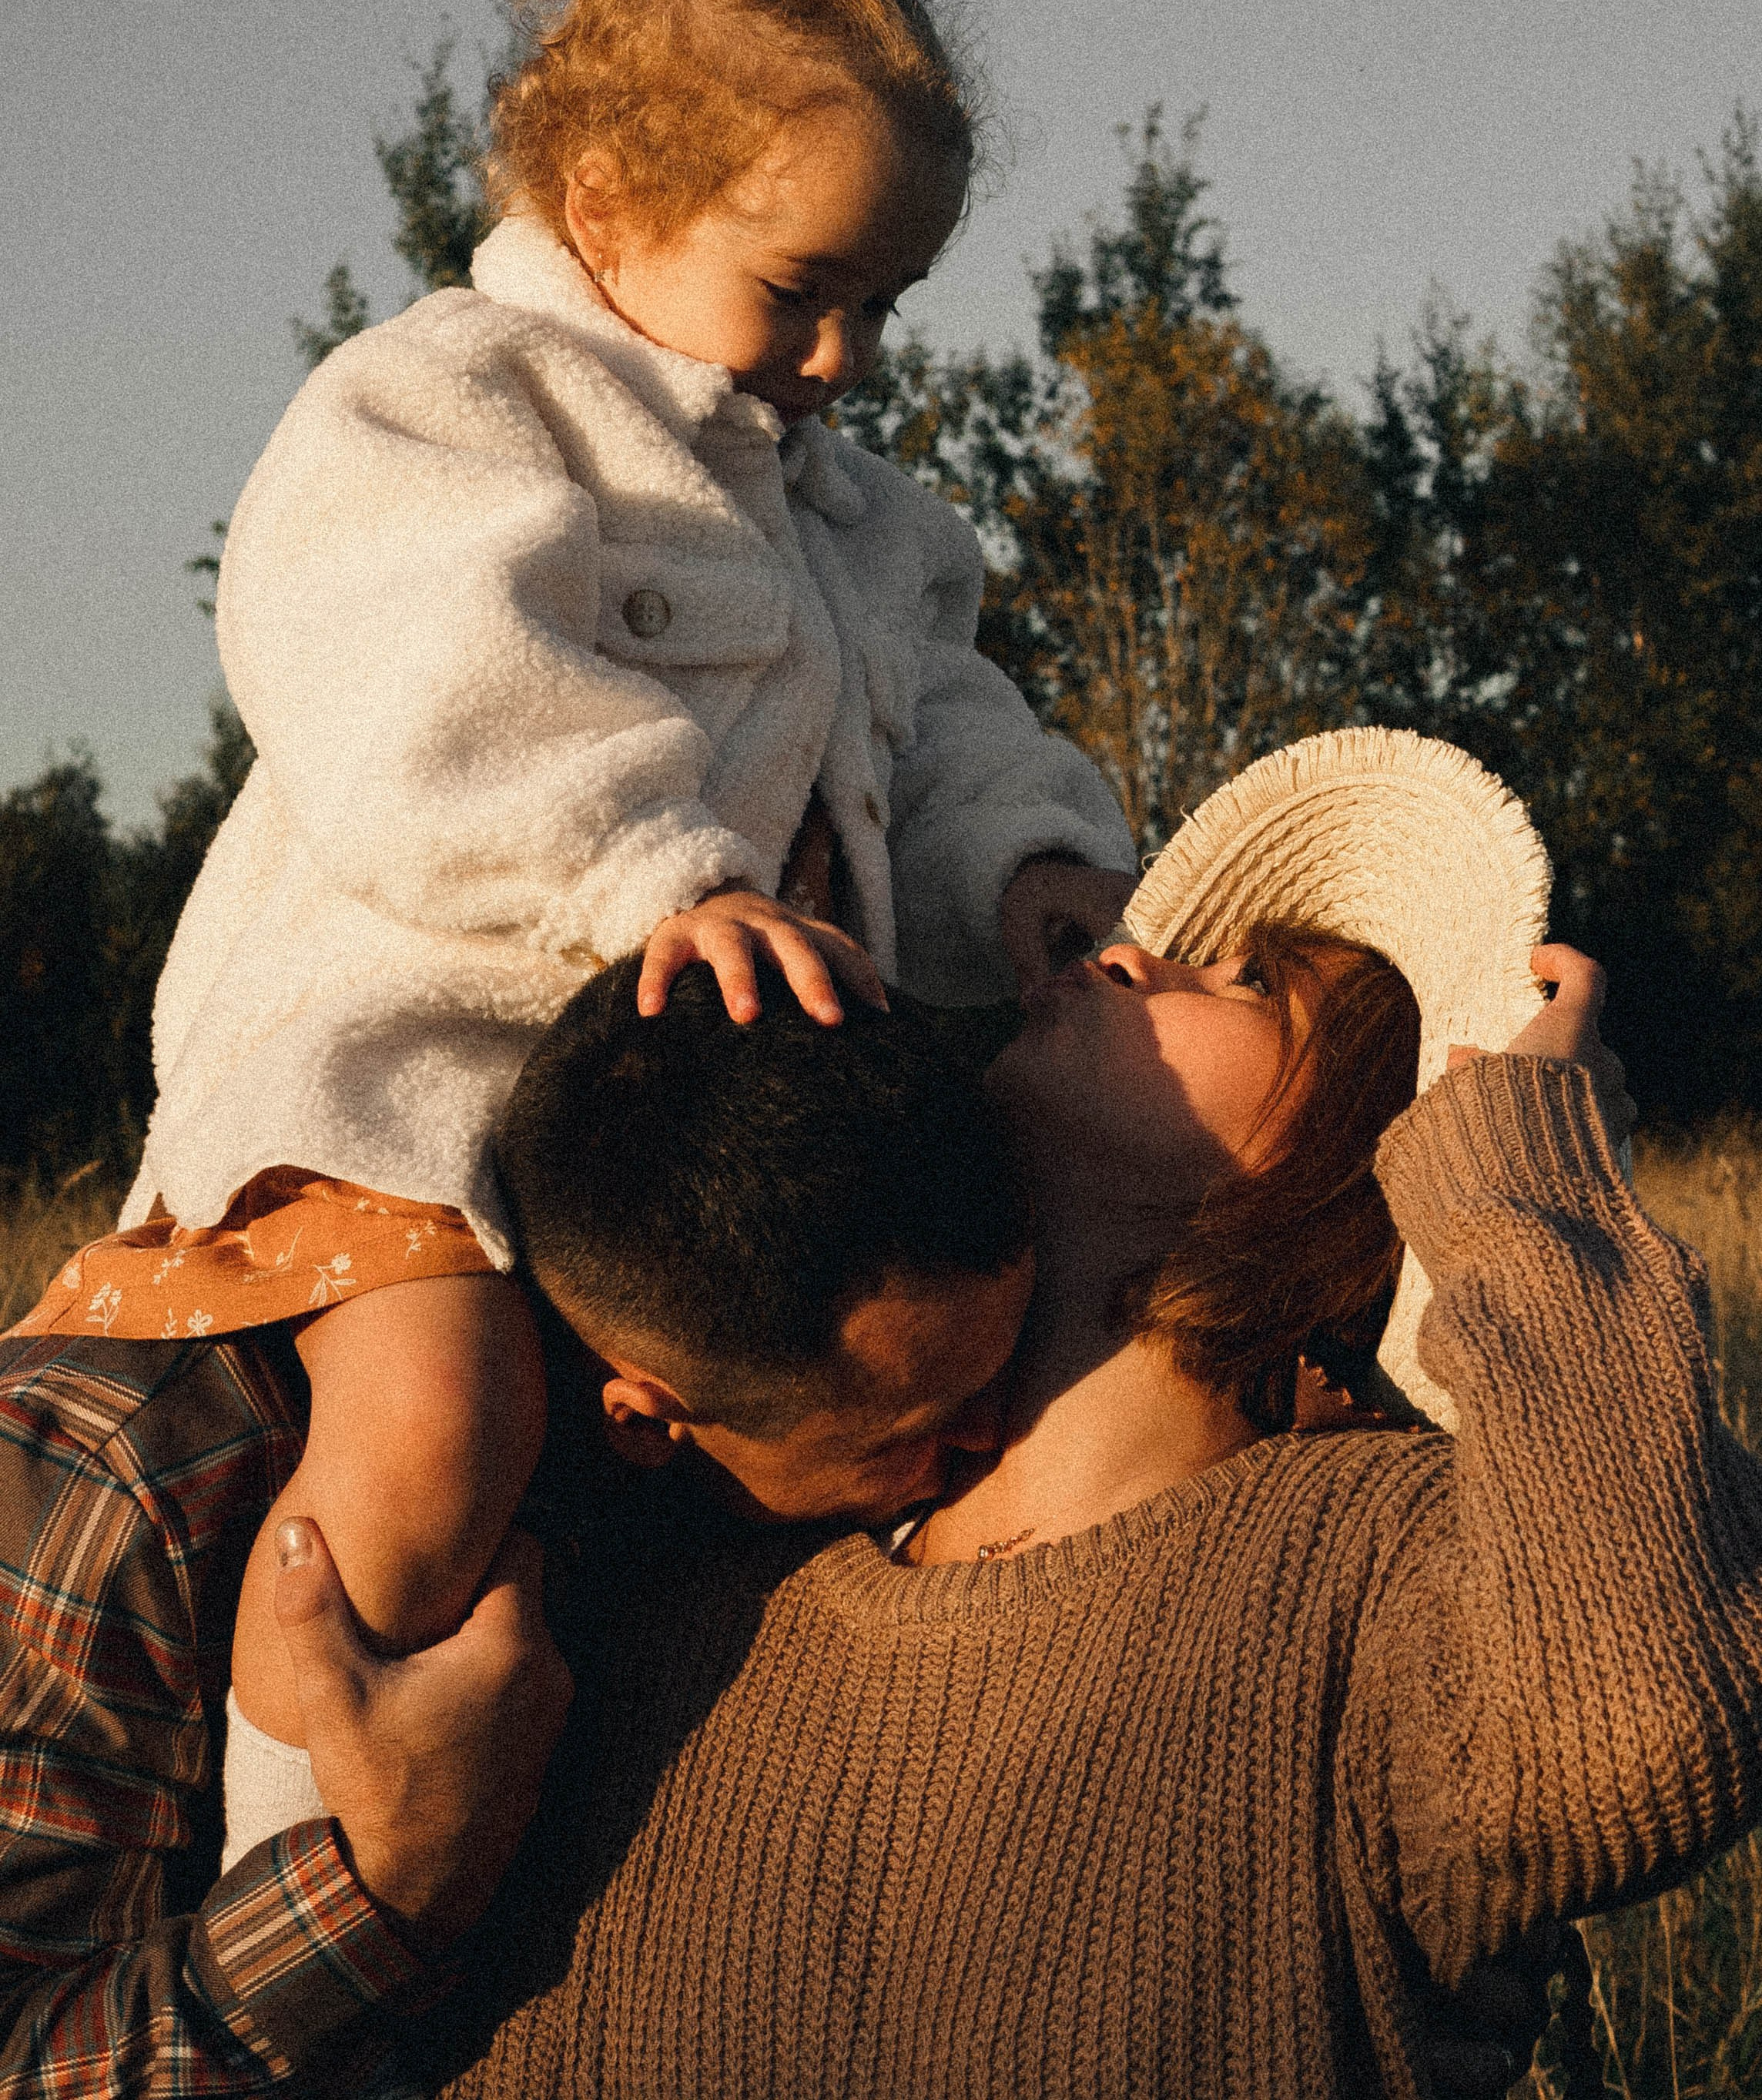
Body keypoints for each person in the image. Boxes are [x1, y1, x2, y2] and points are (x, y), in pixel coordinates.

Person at [13, 0, 1136, 1817]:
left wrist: (1024, 867)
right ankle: (326, 1847)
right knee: (438, 1419)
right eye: (802, 293)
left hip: (664, 1153)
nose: (844, 360)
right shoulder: (453, 400)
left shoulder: (855, 522)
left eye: (882, 306)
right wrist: (654, 867)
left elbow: (946, 717)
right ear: (606, 208)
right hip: (404, 1069)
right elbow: (410, 664)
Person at [401, 737, 1762, 2100]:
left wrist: (1529, 1179)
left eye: (1250, 987)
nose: (1124, 956)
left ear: (1354, 1152)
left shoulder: (1372, 1568)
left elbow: (1649, 1731)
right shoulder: (706, 1576)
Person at [0, 974, 1033, 2092]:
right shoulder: (123, 1472)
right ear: (645, 1419)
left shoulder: (685, 1424)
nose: (996, 1432)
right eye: (920, 1428)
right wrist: (389, 1889)